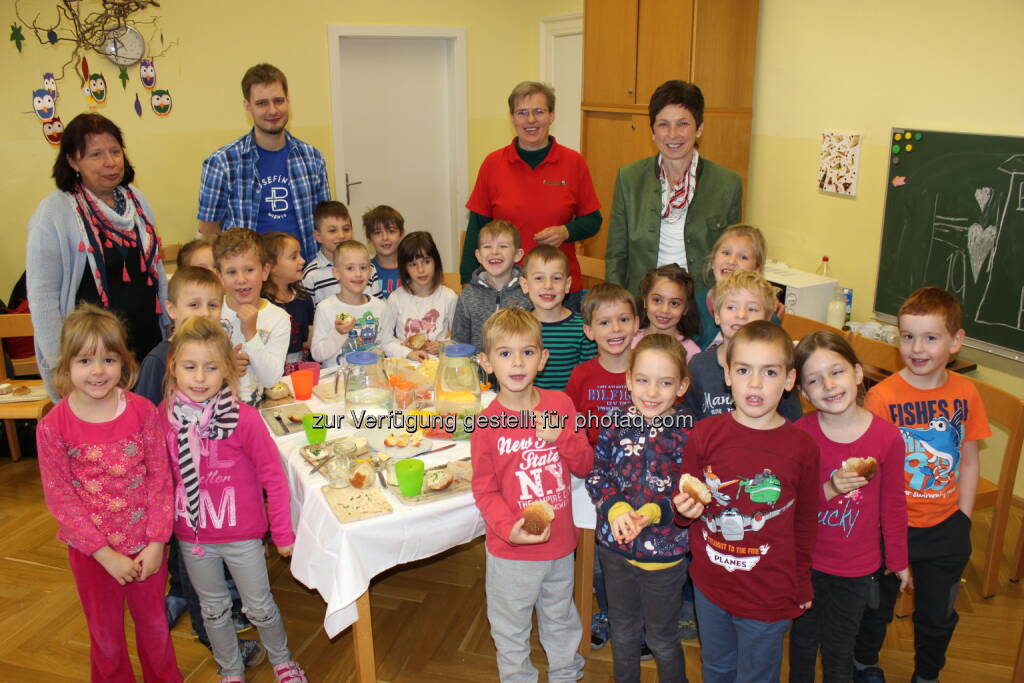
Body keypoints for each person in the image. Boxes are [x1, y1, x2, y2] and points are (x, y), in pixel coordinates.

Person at [851, 287, 990, 683]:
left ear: (956, 341)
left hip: (944, 526)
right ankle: (864, 665)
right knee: (874, 607)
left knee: (937, 613)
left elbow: (968, 459)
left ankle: (928, 674)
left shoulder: (966, 394)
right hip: (888, 526)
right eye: (908, 336)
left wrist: (962, 520)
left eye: (931, 337)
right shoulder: (881, 398)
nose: (917, 348)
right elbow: (869, 470)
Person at [36, 304, 180, 682]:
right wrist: (104, 554)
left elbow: (160, 479)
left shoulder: (143, 411)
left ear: (124, 363)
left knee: (155, 632)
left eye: (108, 359)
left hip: (146, 548)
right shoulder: (53, 427)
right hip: (93, 557)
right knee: (107, 639)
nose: (98, 371)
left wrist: (156, 542)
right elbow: (61, 499)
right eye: (85, 360)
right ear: (66, 366)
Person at [160, 317, 306, 683]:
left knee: (259, 607)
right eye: (190, 367)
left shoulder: (245, 419)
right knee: (212, 611)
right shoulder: (165, 420)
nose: (199, 378)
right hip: (194, 539)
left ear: (227, 369)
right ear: (173, 366)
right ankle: (231, 670)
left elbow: (274, 476)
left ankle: (283, 662)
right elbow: (160, 479)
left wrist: (283, 534)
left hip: (242, 536)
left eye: (211, 368)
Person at [674, 320, 819, 683]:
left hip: (769, 594)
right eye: (743, 370)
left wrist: (801, 583)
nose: (755, 383)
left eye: (769, 372)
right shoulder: (705, 434)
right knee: (717, 668)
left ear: (789, 380)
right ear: (727, 374)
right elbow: (686, 501)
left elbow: (805, 522)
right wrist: (683, 511)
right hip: (710, 587)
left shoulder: (802, 447)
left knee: (757, 676)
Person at [134, 266, 262, 665]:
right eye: (193, 305)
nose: (204, 313)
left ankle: (216, 605)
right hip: (180, 492)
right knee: (191, 564)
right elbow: (147, 424)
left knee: (203, 564)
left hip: (214, 482)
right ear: (170, 309)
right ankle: (209, 635)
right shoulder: (161, 360)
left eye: (212, 304)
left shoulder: (214, 348)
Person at [471, 308, 593, 683]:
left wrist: (563, 438)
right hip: (511, 552)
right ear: (486, 363)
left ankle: (566, 673)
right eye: (505, 353)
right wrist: (510, 528)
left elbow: (586, 465)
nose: (517, 362)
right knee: (510, 626)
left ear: (543, 358)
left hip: (559, 546)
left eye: (527, 352)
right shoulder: (487, 424)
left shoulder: (561, 406)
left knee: (561, 617)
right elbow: (484, 489)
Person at [789, 331, 909, 683]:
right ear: (802, 392)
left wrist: (899, 560)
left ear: (858, 374)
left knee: (840, 649)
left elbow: (894, 505)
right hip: (805, 564)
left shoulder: (887, 437)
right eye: (814, 379)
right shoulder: (800, 434)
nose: (828, 385)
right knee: (802, 642)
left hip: (856, 569)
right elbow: (790, 505)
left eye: (837, 372)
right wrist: (829, 488)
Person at [26, 112, 168, 399]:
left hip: (148, 347)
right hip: (95, 361)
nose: (110, 162)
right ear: (72, 161)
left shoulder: (135, 201)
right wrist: (62, 365)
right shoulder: (54, 213)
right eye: (96, 154)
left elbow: (156, 268)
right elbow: (43, 298)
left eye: (115, 151)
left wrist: (170, 327)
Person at [586, 333, 694, 683]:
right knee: (624, 633)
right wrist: (615, 508)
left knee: (662, 640)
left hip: (666, 556)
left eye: (665, 383)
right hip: (615, 552)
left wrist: (653, 512)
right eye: (643, 380)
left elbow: (689, 489)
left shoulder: (690, 432)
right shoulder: (614, 422)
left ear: (682, 386)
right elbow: (598, 471)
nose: (651, 392)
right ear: (629, 380)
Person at [462, 81, 602, 310]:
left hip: (558, 290)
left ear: (551, 115)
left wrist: (567, 231)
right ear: (512, 118)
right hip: (505, 288)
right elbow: (477, 226)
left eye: (539, 111)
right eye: (522, 113)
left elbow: (593, 221)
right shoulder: (493, 164)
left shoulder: (573, 162)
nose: (530, 120)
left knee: (559, 346)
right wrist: (467, 279)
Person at [605, 80, 742, 296]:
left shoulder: (727, 183)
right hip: (643, 303)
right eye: (663, 124)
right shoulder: (629, 178)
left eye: (683, 124)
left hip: (702, 307)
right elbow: (616, 255)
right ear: (652, 131)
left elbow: (736, 258)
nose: (672, 134)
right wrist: (613, 304)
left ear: (699, 129)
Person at [197, 63, 330, 262]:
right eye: (262, 103)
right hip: (249, 280)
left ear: (288, 101)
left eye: (278, 101)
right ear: (247, 106)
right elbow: (209, 229)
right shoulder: (222, 163)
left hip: (304, 275)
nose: (272, 110)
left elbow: (326, 223)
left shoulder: (312, 158)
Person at [684, 270, 803, 422]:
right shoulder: (699, 366)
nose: (741, 315)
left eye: (752, 309)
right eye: (731, 307)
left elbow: (792, 425)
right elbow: (689, 423)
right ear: (717, 315)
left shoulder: (776, 368)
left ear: (767, 319)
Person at [214, 228, 290, 405]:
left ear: (264, 271)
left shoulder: (278, 318)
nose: (241, 279)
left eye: (249, 270)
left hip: (255, 411)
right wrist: (224, 366)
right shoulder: (211, 311)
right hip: (212, 413)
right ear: (220, 276)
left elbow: (270, 379)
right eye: (231, 272)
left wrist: (251, 334)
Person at [520, 245, 596, 390]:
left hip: (569, 408)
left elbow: (588, 379)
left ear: (567, 285)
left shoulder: (583, 330)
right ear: (525, 284)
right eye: (539, 278)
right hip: (527, 407)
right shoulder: (517, 327)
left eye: (556, 278)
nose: (548, 285)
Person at [452, 219, 531, 352]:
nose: (494, 251)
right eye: (487, 246)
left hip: (517, 368)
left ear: (517, 255)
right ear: (479, 256)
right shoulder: (468, 295)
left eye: (503, 246)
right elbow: (458, 342)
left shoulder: (528, 292)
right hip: (478, 370)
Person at [378, 232, 457, 359]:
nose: (421, 270)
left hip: (439, 366)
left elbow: (458, 339)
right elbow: (385, 341)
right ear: (405, 268)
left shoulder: (449, 297)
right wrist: (407, 353)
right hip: (405, 368)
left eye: (426, 261)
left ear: (435, 261)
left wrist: (443, 345)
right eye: (413, 264)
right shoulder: (395, 298)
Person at [310, 240, 387, 367]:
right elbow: (317, 354)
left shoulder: (380, 307)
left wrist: (406, 352)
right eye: (350, 268)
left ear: (370, 271)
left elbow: (387, 343)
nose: (358, 274)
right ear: (336, 273)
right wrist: (338, 333)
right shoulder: (325, 308)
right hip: (338, 381)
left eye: (363, 267)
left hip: (372, 378)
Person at [695, 224, 768, 349]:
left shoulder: (766, 311)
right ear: (713, 261)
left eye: (743, 257)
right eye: (726, 253)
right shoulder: (693, 304)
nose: (731, 261)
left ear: (757, 270)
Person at [261, 232, 313, 367]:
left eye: (300, 255)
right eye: (294, 257)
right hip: (272, 370)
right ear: (271, 267)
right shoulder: (261, 304)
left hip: (302, 368)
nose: (302, 261)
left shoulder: (303, 298)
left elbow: (308, 340)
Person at [634, 264, 701, 360]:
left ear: (686, 308)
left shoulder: (691, 352)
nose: (664, 310)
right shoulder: (630, 341)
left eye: (674, 303)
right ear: (645, 301)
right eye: (657, 300)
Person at [301, 201, 353, 304]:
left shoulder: (367, 267)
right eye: (333, 231)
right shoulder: (311, 275)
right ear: (318, 236)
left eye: (346, 229)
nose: (341, 235)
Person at [363, 205, 404, 299]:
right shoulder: (365, 271)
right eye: (377, 233)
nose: (385, 238)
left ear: (401, 233)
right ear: (369, 238)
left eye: (391, 231)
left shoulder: (412, 268)